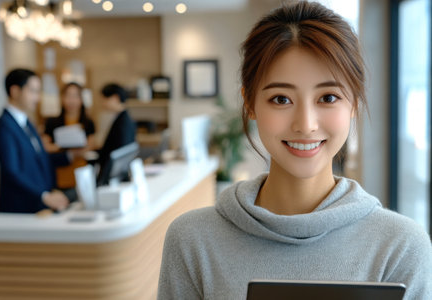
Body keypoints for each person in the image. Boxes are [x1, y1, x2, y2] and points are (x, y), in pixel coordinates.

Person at [157, 2, 432, 299]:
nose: (306, 125)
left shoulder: (401, 245)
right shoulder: (192, 240)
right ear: (249, 103)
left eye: (327, 97)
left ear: (353, 102)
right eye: (280, 99)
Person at [0, 68, 70, 213]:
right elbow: (12, 171)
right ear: (15, 91)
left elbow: (40, 159)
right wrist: (44, 196)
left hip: (38, 205)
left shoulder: (27, 122)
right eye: (33, 91)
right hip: (20, 208)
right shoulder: (4, 126)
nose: (37, 98)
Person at [43, 82, 96, 198]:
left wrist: (77, 152)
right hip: (59, 174)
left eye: (75, 96)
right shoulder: (52, 122)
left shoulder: (88, 123)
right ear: (62, 98)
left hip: (81, 173)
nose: (71, 100)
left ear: (81, 99)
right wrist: (61, 147)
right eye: (68, 96)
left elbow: (91, 145)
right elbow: (45, 147)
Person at [97, 83, 136, 182]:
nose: (103, 104)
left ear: (115, 98)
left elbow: (121, 151)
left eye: (105, 100)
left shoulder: (123, 122)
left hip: (113, 175)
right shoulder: (122, 118)